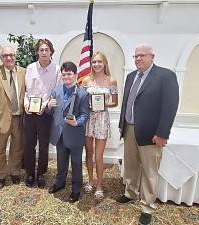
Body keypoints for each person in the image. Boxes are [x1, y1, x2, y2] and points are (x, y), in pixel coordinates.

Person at [117, 44, 179, 225]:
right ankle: (131, 193)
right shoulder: (130, 77)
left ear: (152, 56)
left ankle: (147, 207)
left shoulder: (165, 76)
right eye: (135, 56)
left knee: (150, 172)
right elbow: (126, 102)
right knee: (130, 166)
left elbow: (170, 106)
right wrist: (122, 124)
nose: (138, 59)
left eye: (142, 55)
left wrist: (162, 133)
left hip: (152, 134)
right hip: (129, 129)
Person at [47, 61, 89, 203]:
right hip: (59, 135)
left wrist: (77, 122)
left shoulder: (82, 93)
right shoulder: (56, 90)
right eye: (63, 74)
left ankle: (76, 190)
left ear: (76, 75)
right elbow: (49, 112)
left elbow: (85, 115)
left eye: (69, 74)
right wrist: (48, 106)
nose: (66, 77)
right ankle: (60, 183)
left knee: (76, 163)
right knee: (61, 162)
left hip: (75, 134)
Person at [0, 47, 26, 189]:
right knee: (0, 149)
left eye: (11, 55)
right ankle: (1, 175)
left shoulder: (23, 72)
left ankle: (15, 172)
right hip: (0, 118)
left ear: (15, 56)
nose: (9, 58)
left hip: (19, 118)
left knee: (17, 147)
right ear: (1, 58)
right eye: (5, 55)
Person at [81, 52, 118, 200]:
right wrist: (88, 106)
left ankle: (99, 185)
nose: (96, 64)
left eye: (99, 62)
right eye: (94, 62)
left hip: (102, 118)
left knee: (99, 156)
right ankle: (90, 180)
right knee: (89, 153)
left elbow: (115, 102)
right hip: (89, 118)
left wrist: (103, 104)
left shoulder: (112, 81)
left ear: (105, 64)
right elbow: (81, 100)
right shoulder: (86, 80)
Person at [23, 39, 60, 188]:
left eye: (47, 50)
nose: (44, 52)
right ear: (37, 52)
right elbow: (25, 90)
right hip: (29, 112)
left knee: (44, 146)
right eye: (41, 50)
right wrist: (26, 103)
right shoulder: (30, 68)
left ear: (51, 52)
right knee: (29, 145)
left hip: (45, 114)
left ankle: (41, 174)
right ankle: (30, 173)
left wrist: (44, 106)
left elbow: (56, 92)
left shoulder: (56, 70)